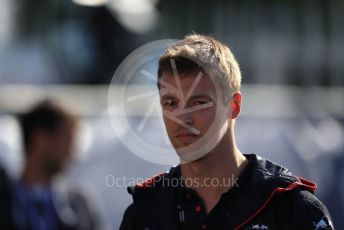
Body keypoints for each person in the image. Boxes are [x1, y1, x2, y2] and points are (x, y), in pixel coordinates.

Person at [119, 34, 334, 230]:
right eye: (171, 103)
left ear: (234, 106)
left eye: (199, 102)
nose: (182, 119)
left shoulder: (291, 208)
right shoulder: (145, 212)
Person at [0, 100, 108, 230]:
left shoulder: (82, 205)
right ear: (40, 139)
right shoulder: (5, 202)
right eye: (67, 141)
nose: (72, 153)